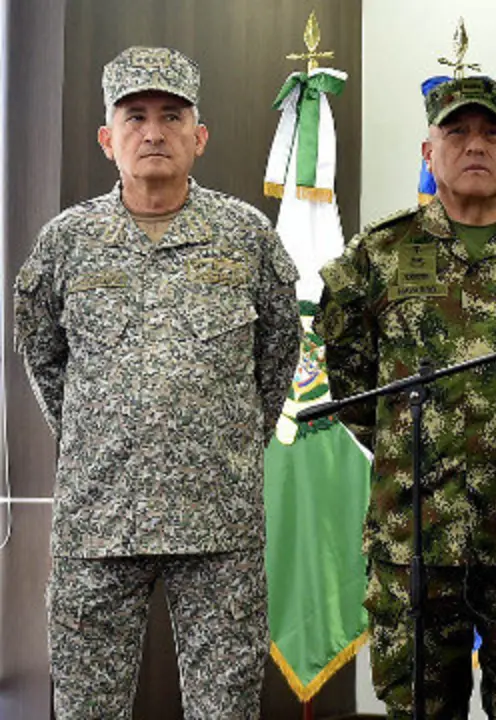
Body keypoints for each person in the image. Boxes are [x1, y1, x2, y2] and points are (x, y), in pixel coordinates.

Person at [13, 46, 300, 718]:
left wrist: (218, 438)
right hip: (98, 521)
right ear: (107, 139)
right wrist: (100, 432)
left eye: (171, 116)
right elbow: (43, 356)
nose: (153, 131)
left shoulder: (245, 237)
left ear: (198, 138)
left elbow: (279, 353)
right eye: (135, 116)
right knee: (86, 708)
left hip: (219, 524)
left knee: (225, 708)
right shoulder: (66, 242)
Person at [317, 75, 496, 719]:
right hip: (417, 543)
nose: (474, 145)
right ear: (429, 151)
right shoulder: (379, 255)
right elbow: (353, 381)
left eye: (491, 133)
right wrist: (410, 445)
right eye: (456, 131)